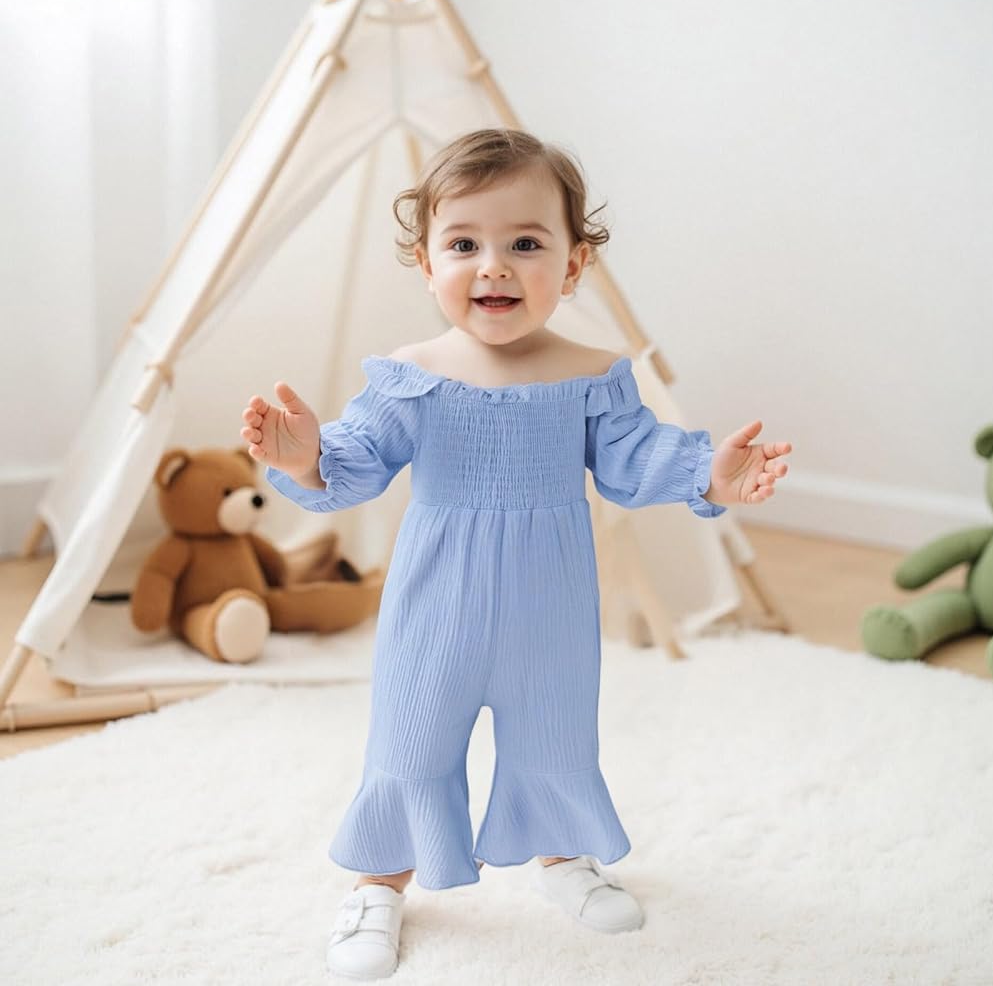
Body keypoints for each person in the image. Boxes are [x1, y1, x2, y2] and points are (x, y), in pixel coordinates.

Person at [241, 128, 791, 980]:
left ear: (573, 266)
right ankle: (378, 884)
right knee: (410, 744)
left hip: (550, 602)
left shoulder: (591, 374)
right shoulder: (414, 374)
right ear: (426, 263)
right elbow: (355, 460)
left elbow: (635, 459)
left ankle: (564, 856)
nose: (492, 267)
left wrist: (710, 474)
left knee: (555, 737)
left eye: (525, 244)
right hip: (437, 600)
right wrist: (305, 456)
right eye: (464, 245)